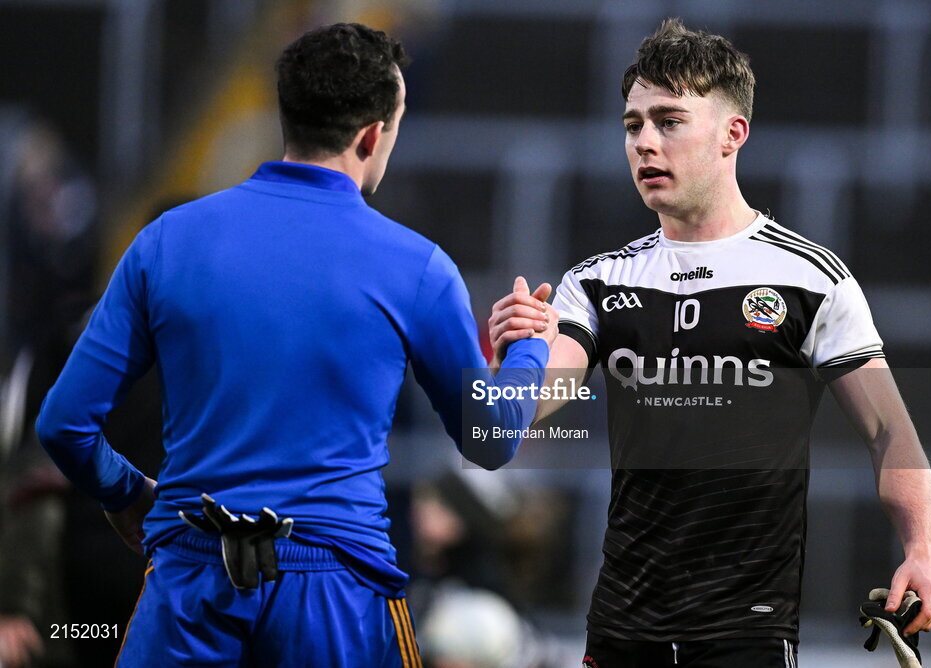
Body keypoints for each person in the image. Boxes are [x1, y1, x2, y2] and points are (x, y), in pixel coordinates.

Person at [36, 22, 557, 667]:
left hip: (188, 580)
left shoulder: (167, 241)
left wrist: (128, 494)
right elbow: (491, 438)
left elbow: (63, 426)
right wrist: (531, 343)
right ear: (373, 135)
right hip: (336, 592)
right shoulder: (415, 267)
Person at [487, 19, 931, 668]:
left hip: (746, 635)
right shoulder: (596, 282)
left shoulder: (810, 278)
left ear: (734, 134)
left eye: (669, 121)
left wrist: (921, 552)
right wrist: (510, 367)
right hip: (622, 632)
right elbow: (523, 411)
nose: (645, 143)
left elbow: (889, 433)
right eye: (632, 125)